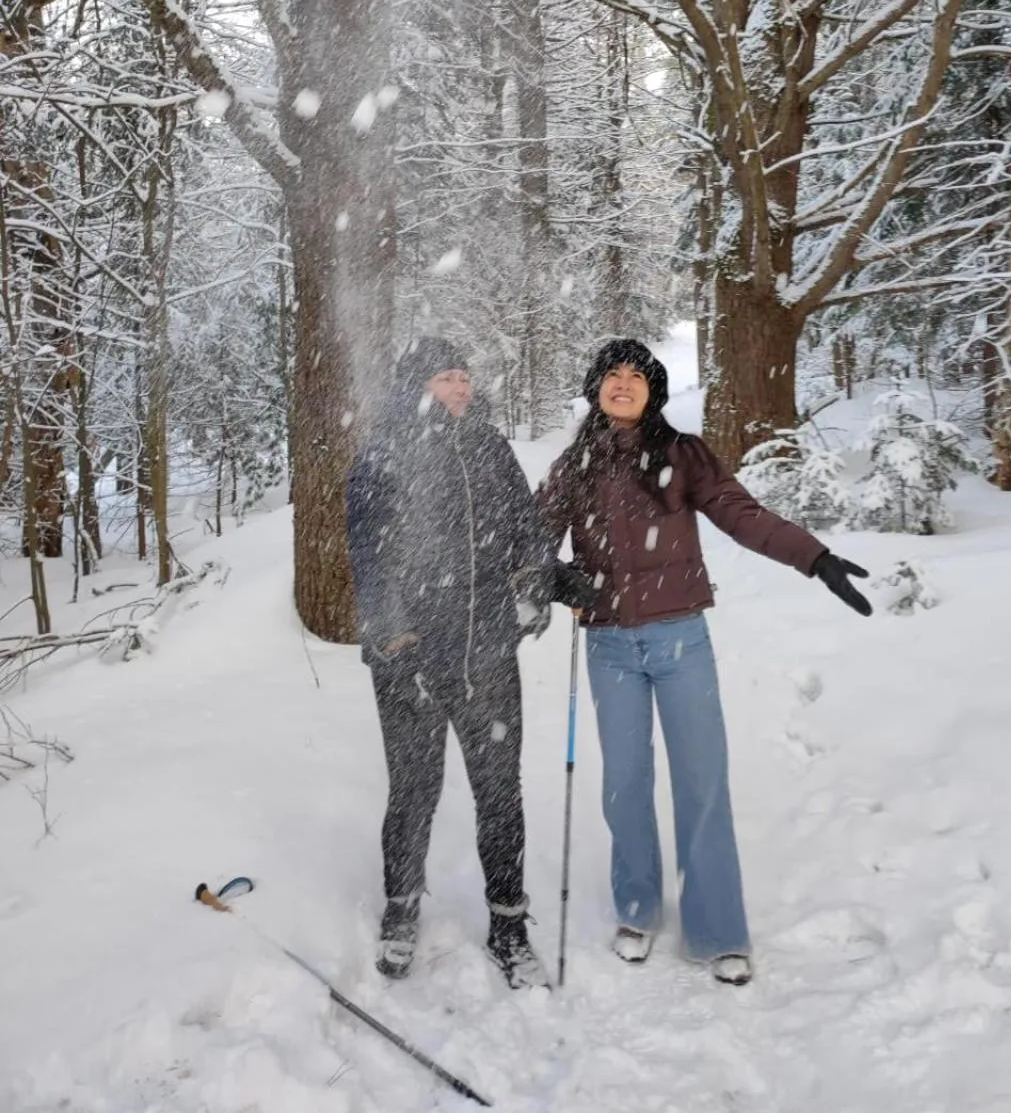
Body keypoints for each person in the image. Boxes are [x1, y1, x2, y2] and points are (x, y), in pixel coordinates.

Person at [537, 338, 872, 987]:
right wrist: (554, 579)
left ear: (653, 390)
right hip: (608, 644)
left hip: (680, 639)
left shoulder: (681, 455)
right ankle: (635, 908)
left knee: (702, 784)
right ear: (596, 387)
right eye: (613, 374)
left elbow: (740, 515)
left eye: (636, 374)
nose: (624, 383)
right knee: (625, 785)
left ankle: (717, 929)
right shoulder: (574, 463)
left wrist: (813, 557)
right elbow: (530, 542)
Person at [346, 337, 556, 988]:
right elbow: (368, 555)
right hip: (409, 661)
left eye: (464, 377)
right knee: (413, 792)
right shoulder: (384, 452)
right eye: (445, 378)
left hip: (486, 653)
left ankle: (509, 923)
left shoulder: (489, 447)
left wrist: (536, 582)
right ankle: (401, 912)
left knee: (500, 794)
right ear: (418, 384)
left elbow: (525, 528)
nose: (460, 388)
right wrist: (390, 636)